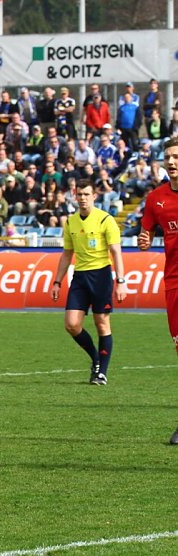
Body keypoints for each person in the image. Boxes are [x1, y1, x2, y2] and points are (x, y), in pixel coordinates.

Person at [50, 179, 127, 385]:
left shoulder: (106, 220)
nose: (83, 198)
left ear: (94, 196)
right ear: (75, 196)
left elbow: (116, 251)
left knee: (101, 323)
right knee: (71, 324)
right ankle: (96, 358)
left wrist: (121, 280)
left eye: (87, 194)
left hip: (101, 275)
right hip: (80, 276)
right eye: (79, 194)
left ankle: (102, 372)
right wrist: (57, 281)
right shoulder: (71, 222)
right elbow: (67, 254)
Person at [138, 137, 178, 443]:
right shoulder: (156, 198)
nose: (173, 162)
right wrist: (144, 239)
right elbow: (146, 229)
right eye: (169, 157)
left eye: (176, 156)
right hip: (174, 282)